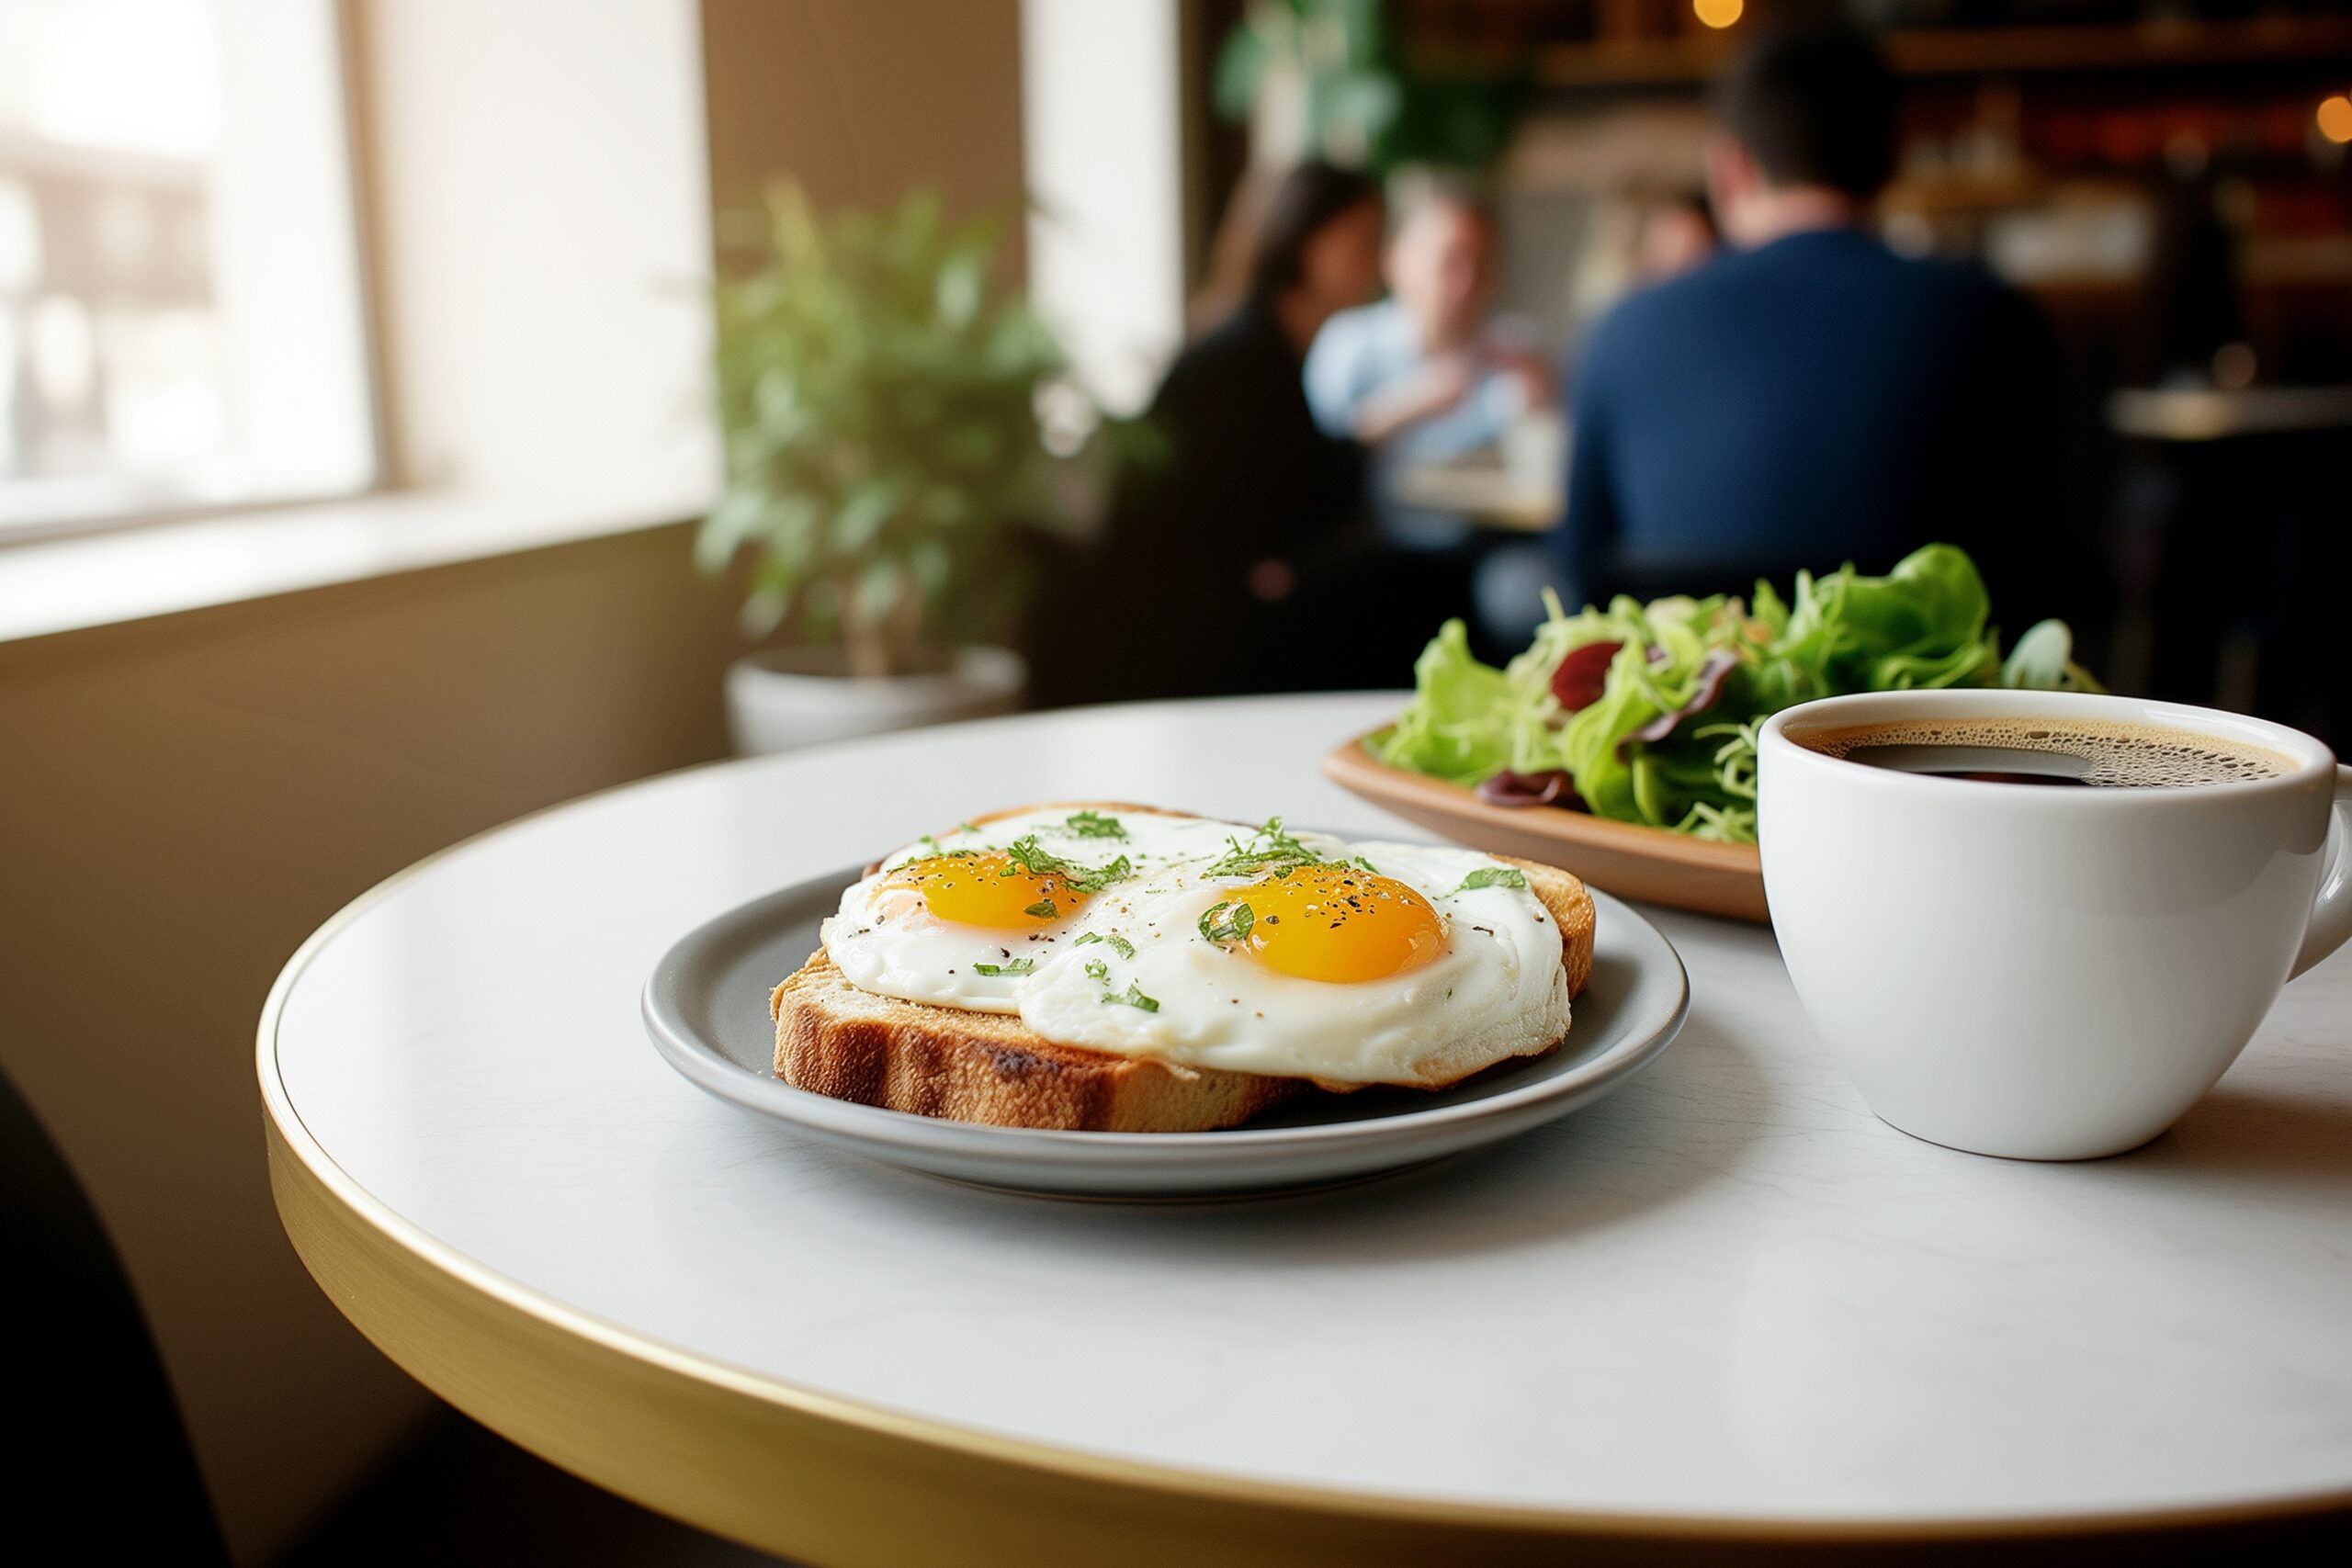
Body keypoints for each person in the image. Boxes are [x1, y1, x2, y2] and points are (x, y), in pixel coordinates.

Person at [1554, 23, 2062, 610]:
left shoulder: (1626, 328)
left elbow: (1578, 571)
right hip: (1919, 700)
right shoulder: (1999, 322)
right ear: (1893, 157)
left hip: (1695, 698)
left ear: (1730, 167)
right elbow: (2042, 571)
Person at [1039, 161, 1385, 704]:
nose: (1377, 261)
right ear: (1306, 241)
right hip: (1177, 635)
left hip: (1186, 618)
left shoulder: (1258, 345)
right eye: (1364, 240)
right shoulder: (1245, 358)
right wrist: (1377, 430)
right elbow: (1293, 506)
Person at [1305, 178, 1552, 553]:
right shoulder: (1350, 346)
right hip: (1376, 543)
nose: (1467, 281)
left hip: (1491, 543)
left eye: (1482, 263)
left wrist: (1545, 403)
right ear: (1396, 261)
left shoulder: (1516, 349)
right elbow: (1316, 470)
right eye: (1451, 260)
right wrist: (1407, 406)